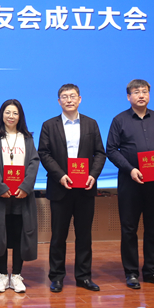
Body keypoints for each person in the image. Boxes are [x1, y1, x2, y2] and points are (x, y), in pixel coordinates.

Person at [106, 79, 154, 289]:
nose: (141, 95)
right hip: (131, 182)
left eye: (144, 91)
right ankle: (131, 273)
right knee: (129, 229)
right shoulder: (119, 120)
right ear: (129, 97)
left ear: (149, 95)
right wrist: (131, 169)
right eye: (136, 92)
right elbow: (111, 149)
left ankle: (152, 271)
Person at [37, 84, 107, 293]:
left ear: (80, 99)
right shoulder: (49, 125)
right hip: (60, 188)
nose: (69, 100)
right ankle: (57, 277)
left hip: (85, 188)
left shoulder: (91, 123)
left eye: (72, 96)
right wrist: (60, 176)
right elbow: (44, 153)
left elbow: (100, 153)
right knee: (58, 235)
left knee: (84, 235)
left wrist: (93, 175)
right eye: (64, 97)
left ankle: (83, 277)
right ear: (58, 101)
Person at [0, 99, 40, 294]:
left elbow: (33, 163)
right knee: (0, 235)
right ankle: (1, 275)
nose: (11, 116)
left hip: (22, 197)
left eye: (15, 113)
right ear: (2, 115)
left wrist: (25, 186)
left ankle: (16, 275)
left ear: (20, 116)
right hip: (0, 197)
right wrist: (0, 187)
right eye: (7, 112)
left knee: (19, 236)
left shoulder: (27, 138)